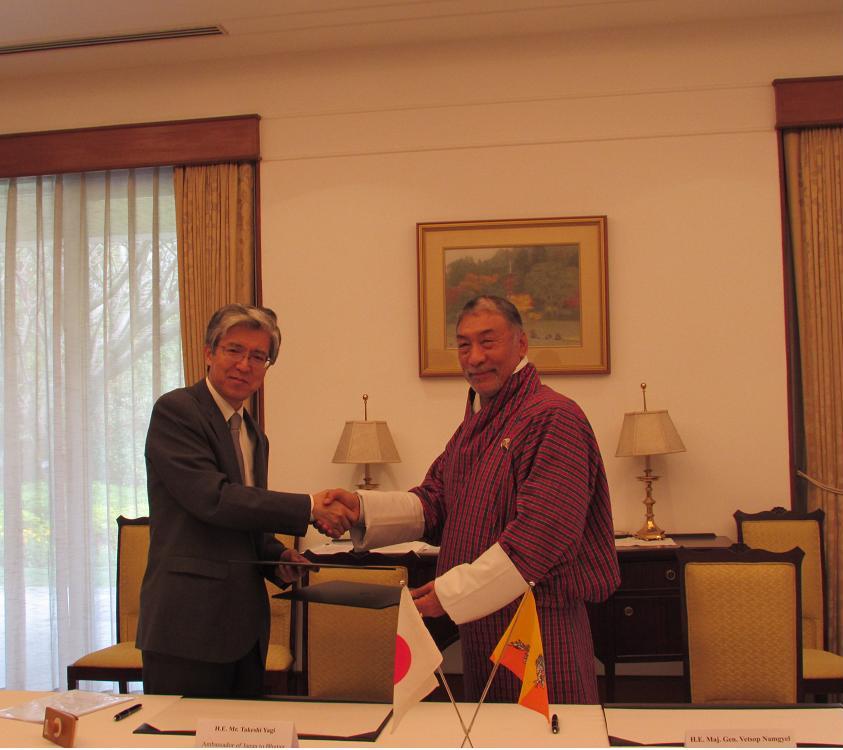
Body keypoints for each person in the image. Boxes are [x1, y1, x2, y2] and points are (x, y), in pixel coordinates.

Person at [320, 295, 620, 704]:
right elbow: (435, 503)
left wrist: (452, 593)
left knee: (548, 727)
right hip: (481, 626)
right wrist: (361, 509)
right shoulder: (475, 426)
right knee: (488, 730)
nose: (475, 357)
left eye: (488, 341)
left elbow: (540, 539)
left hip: (539, 625)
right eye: (464, 345)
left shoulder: (555, 417)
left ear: (522, 343)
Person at [137, 303, 353, 698]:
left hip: (245, 630)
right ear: (209, 353)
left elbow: (245, 522)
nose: (244, 365)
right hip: (187, 627)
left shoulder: (254, 435)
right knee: (179, 732)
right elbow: (214, 500)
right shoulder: (177, 411)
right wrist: (308, 507)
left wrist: (277, 556)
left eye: (258, 356)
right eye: (234, 350)